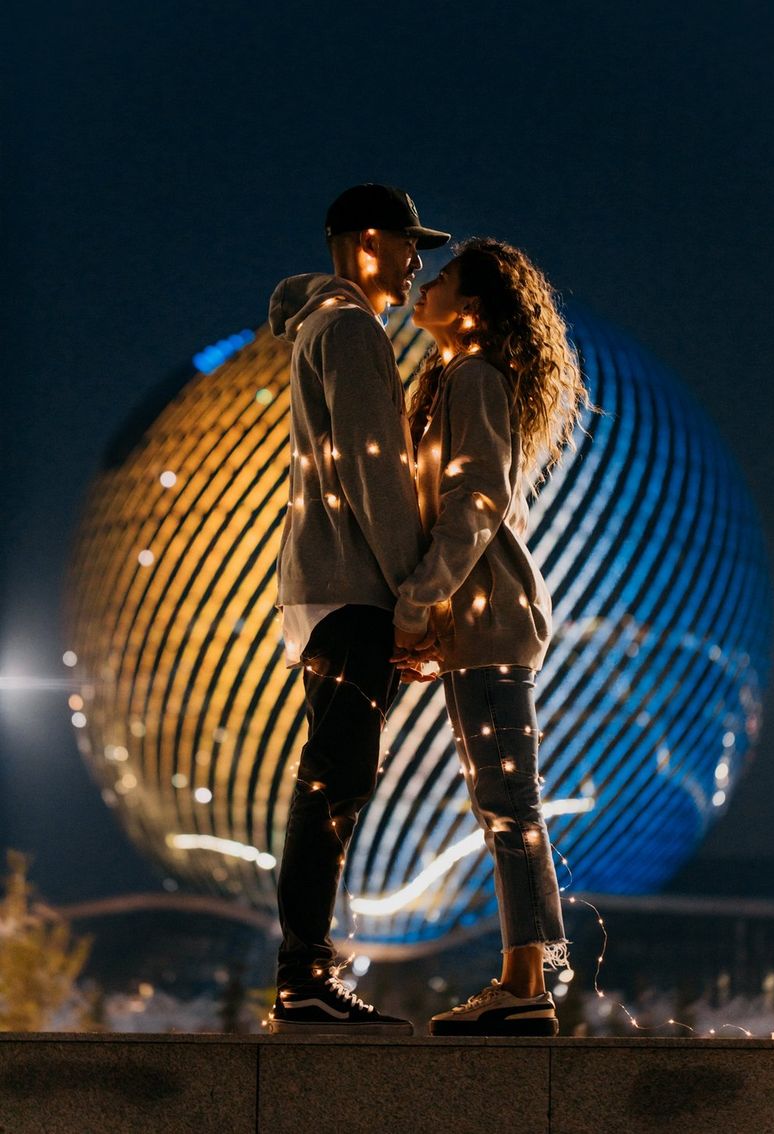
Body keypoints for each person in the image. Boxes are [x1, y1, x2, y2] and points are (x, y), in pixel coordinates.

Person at [393, 238, 590, 1036]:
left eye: (438, 278)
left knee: (508, 800)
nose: (423, 284)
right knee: (502, 799)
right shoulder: (450, 380)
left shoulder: (472, 377)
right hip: (477, 622)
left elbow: (473, 504)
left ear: (471, 307)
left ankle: (525, 986)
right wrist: (437, 620)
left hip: (493, 618)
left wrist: (416, 605)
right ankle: (525, 980)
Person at [266, 184, 449, 1034]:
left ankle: (304, 966)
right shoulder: (351, 330)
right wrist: (417, 595)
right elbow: (378, 475)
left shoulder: (321, 326)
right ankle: (304, 973)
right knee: (334, 778)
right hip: (353, 585)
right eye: (410, 245)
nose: (419, 264)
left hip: (323, 585)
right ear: (367, 242)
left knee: (336, 774)